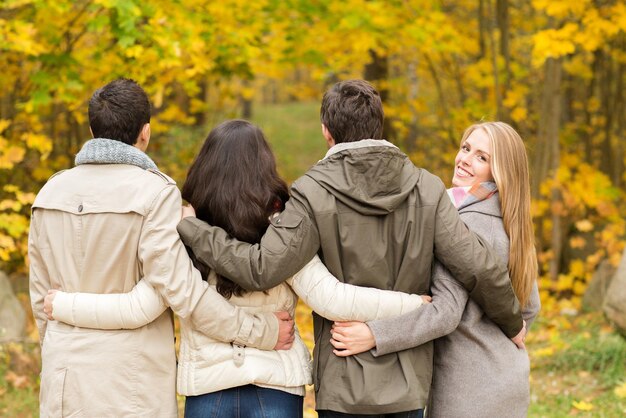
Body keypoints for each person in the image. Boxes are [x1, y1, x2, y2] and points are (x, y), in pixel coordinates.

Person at [175, 80, 526, 416]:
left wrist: (193, 228)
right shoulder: (427, 187)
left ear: (327, 130)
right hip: (406, 382)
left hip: (343, 380)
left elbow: (262, 268)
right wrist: (511, 321)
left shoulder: (311, 191)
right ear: (379, 125)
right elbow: (478, 265)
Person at [44, 119, 430, 417]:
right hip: (275, 384)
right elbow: (330, 297)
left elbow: (153, 299)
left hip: (208, 386)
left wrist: (63, 305)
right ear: (265, 165)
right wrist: (412, 305)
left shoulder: (183, 222)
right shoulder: (283, 222)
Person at [28, 79, 294, 418]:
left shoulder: (49, 194)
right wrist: (263, 331)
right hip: (132, 383)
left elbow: (41, 301)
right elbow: (182, 292)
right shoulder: (154, 193)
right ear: (146, 132)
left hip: (62, 379)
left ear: (93, 130)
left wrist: (56, 356)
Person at [330, 121, 541, 417]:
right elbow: (530, 307)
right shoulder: (511, 224)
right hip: (509, 380)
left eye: (482, 157)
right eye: (466, 148)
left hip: (467, 391)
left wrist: (375, 334)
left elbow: (445, 313)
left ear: (501, 171)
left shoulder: (464, 223)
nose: (465, 159)